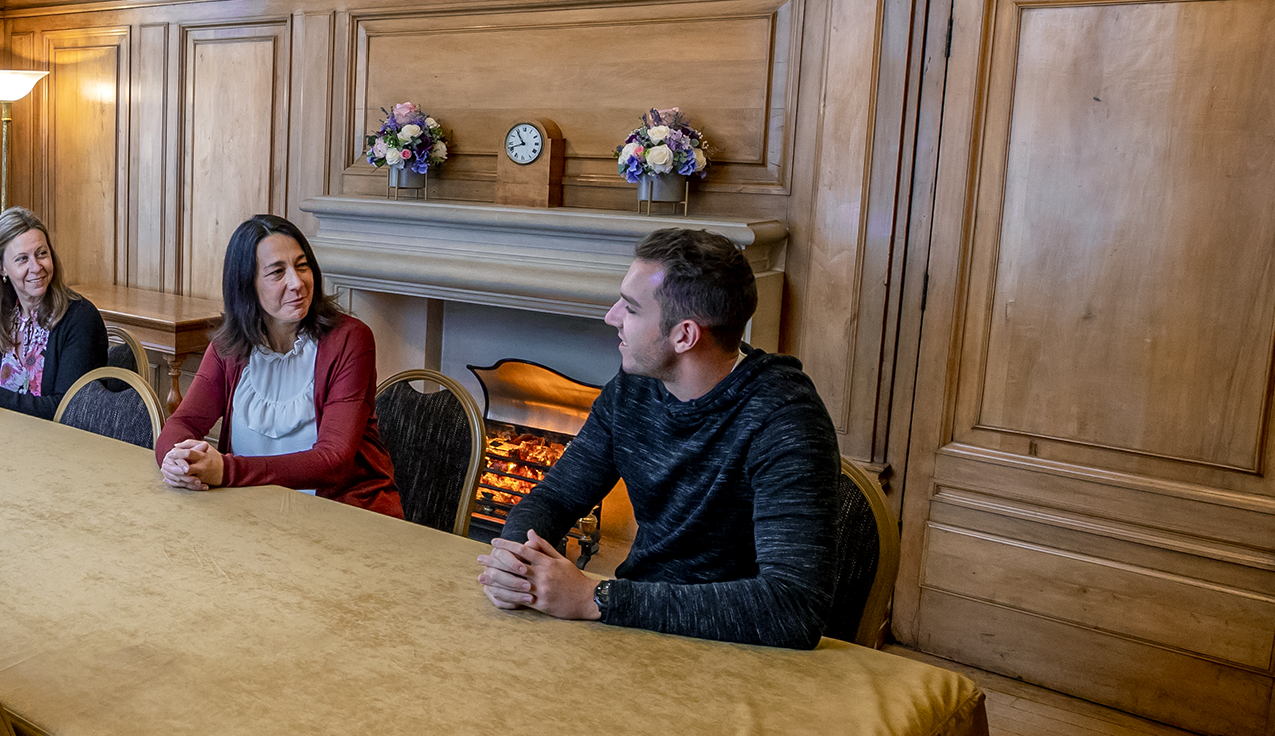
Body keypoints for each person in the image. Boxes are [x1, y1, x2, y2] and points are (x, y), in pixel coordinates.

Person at [475, 228, 839, 649]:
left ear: (684, 335)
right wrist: (517, 563)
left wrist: (597, 598)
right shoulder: (634, 388)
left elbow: (794, 607)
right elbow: (554, 498)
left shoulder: (785, 419)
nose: (611, 317)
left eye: (630, 308)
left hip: (736, 650)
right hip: (635, 630)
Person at [153, 214, 401, 515]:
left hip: (345, 517)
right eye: (277, 272)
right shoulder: (228, 346)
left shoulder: (351, 340)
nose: (297, 283)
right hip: (252, 513)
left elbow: (333, 461)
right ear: (247, 285)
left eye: (302, 266)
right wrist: (174, 459)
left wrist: (226, 471)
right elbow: (184, 423)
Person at [0, 208, 108, 418]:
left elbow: (68, 410)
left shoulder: (80, 318)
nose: (36, 267)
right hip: (3, 436)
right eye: (22, 259)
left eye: (41, 254)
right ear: (2, 269)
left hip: (59, 445)